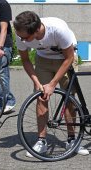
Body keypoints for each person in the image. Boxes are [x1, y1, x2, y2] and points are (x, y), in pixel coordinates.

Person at [13, 11, 89, 157]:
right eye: (20, 36)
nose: (21, 40)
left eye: (25, 38)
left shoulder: (58, 29)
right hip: (43, 60)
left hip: (65, 58)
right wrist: (36, 82)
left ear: (36, 30)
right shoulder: (21, 32)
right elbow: (25, 60)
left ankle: (72, 139)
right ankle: (42, 141)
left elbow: (69, 58)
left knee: (69, 100)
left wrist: (53, 83)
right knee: (41, 98)